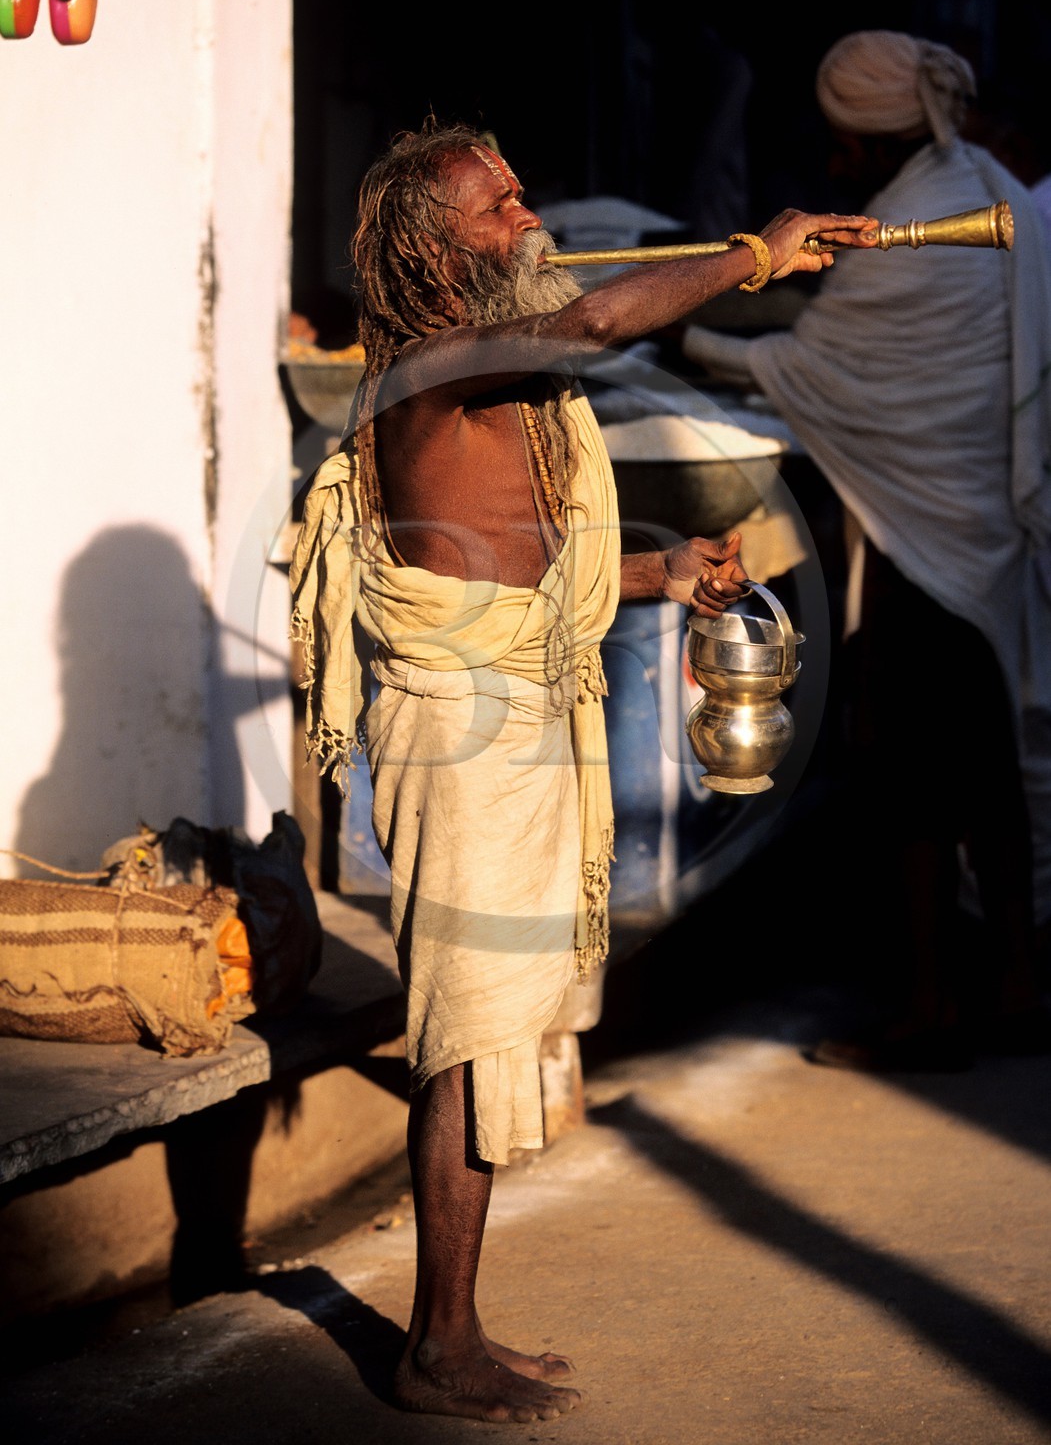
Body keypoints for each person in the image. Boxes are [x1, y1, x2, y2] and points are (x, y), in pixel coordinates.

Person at [288, 120, 878, 1423]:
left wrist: (669, 574)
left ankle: (455, 1325)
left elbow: (524, 561)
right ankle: (434, 1347)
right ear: (435, 259)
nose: (526, 220)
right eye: (498, 210)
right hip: (463, 737)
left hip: (522, 716)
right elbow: (603, 320)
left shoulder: (498, 375)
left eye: (518, 195)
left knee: (490, 1041)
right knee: (464, 1046)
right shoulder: (445, 361)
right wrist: (749, 256)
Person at [682, 30, 1051, 1071]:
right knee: (982, 770)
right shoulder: (981, 184)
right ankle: (1018, 981)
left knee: (913, 773)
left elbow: (818, 365)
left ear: (877, 135)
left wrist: (673, 327)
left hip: (922, 540)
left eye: (845, 143)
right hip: (978, 534)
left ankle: (934, 1004)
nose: (836, 162)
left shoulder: (915, 224)